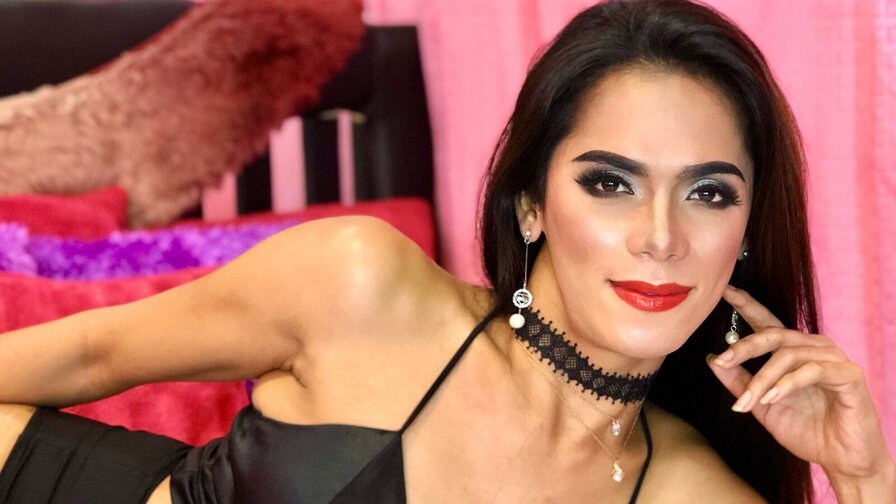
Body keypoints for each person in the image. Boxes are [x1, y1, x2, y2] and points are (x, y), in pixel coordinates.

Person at [0, 0, 893, 502]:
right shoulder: (360, 285)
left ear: (745, 234)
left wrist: (863, 477)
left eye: (708, 194)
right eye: (610, 183)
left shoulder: (686, 490)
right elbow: (86, 354)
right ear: (530, 205)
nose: (661, 237)